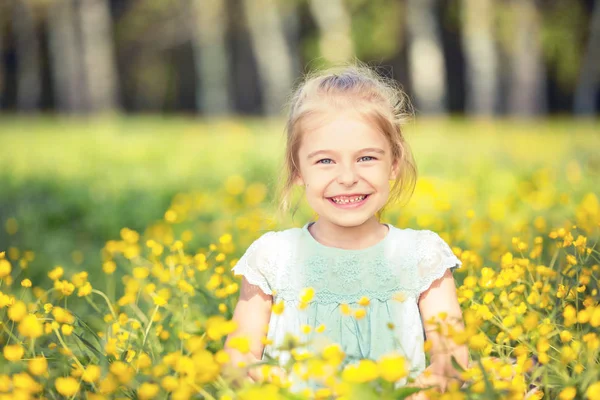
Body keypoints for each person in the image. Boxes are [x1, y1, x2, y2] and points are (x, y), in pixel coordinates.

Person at [224, 62, 469, 397]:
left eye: (366, 158)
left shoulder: (421, 256)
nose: (348, 177)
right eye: (326, 161)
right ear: (298, 171)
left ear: (393, 164)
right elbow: (238, 356)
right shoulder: (272, 258)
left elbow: (452, 361)